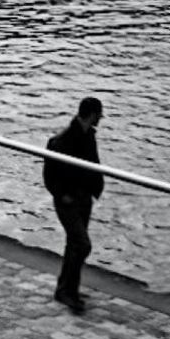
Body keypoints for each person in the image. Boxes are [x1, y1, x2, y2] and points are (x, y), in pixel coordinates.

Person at [43, 96, 104, 314]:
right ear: (92, 114)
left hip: (83, 198)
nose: (100, 119)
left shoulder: (87, 135)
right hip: (69, 200)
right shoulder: (64, 139)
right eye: (99, 115)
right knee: (82, 244)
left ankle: (68, 288)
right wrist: (63, 195)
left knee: (74, 244)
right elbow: (50, 173)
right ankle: (66, 289)